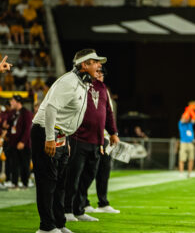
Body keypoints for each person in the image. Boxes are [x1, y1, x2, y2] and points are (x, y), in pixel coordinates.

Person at [31, 49, 105, 233]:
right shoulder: (69, 82)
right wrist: (49, 138)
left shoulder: (82, 83)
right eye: (95, 62)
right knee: (48, 182)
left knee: (60, 183)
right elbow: (50, 109)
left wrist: (67, 140)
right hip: (47, 132)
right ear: (84, 65)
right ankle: (46, 227)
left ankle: (58, 223)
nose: (99, 66)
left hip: (61, 135)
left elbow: (68, 117)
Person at [64, 65, 119, 222]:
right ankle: (67, 210)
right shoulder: (78, 83)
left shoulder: (102, 87)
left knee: (88, 176)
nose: (100, 73)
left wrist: (113, 132)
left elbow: (108, 112)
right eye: (98, 69)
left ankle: (79, 209)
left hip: (97, 140)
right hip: (78, 138)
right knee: (73, 176)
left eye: (101, 71)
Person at [8, 95, 32, 189]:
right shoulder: (14, 113)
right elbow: (12, 125)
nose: (11, 102)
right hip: (14, 143)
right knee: (14, 164)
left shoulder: (26, 113)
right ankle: (15, 183)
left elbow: (27, 129)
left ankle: (25, 183)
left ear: (18, 102)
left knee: (24, 164)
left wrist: (23, 141)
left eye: (12, 100)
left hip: (24, 144)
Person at [178, 103, 195, 178]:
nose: (186, 118)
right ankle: (181, 173)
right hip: (183, 142)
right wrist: (188, 109)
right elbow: (183, 118)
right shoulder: (181, 123)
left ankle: (189, 173)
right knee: (182, 158)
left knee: (191, 158)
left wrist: (191, 110)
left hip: (190, 143)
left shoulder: (190, 123)